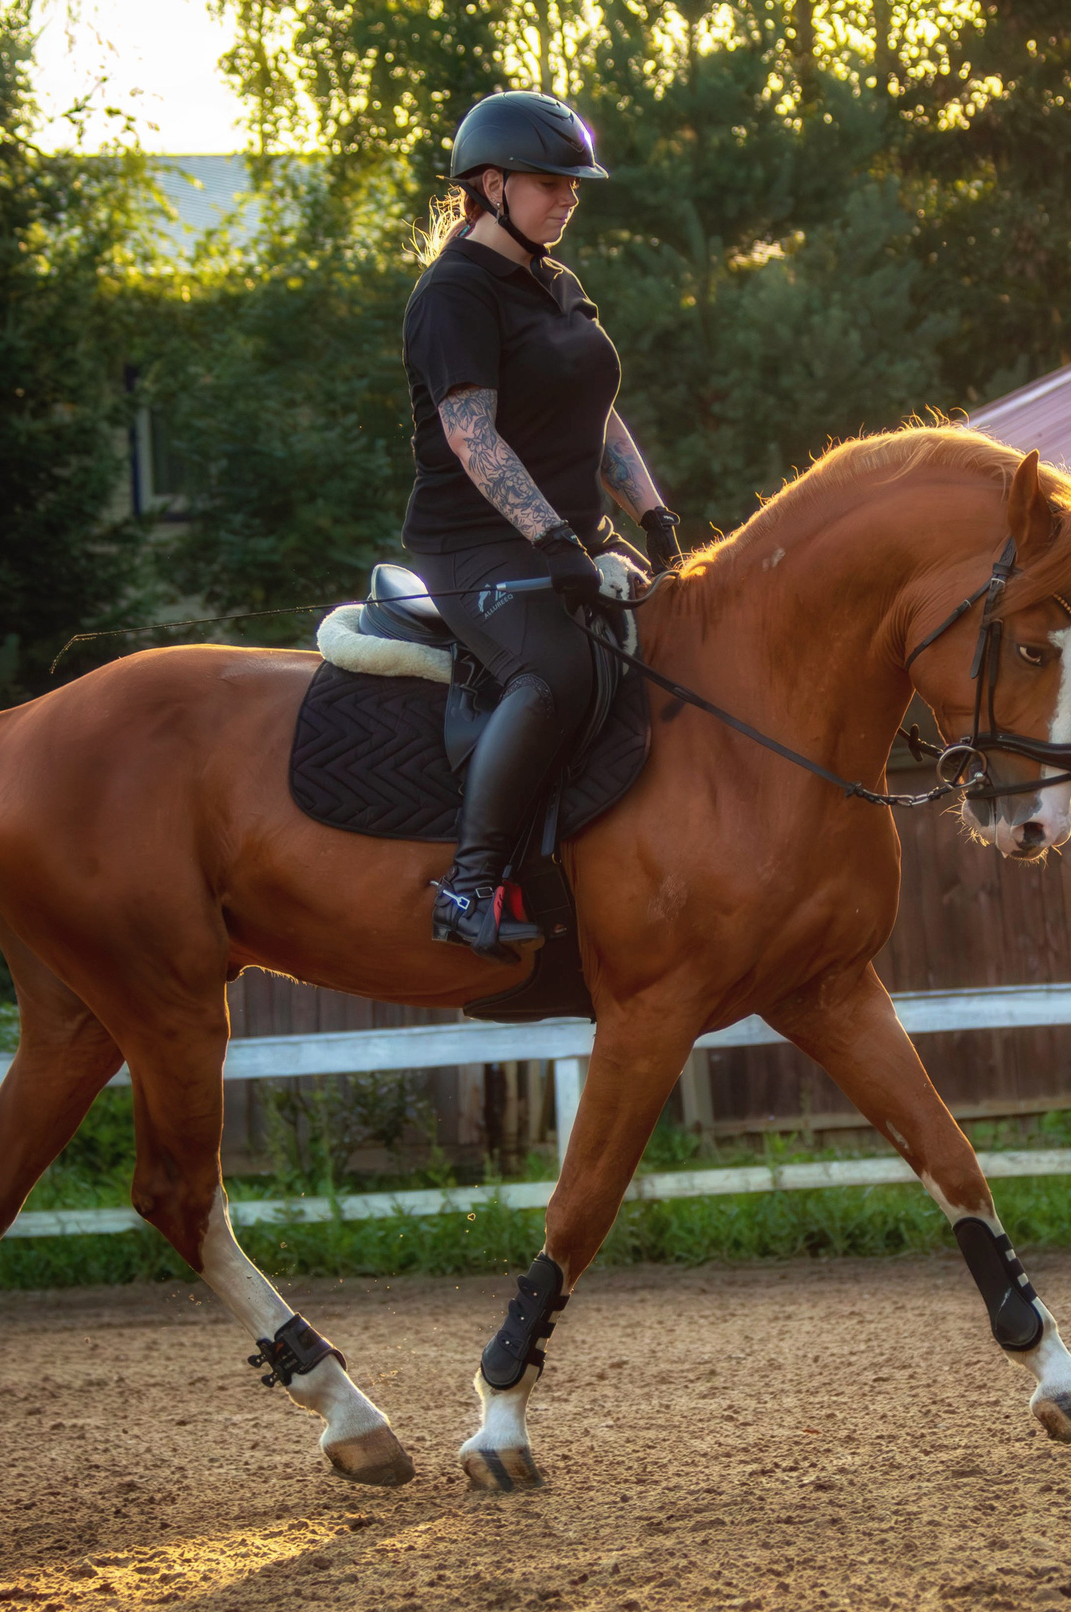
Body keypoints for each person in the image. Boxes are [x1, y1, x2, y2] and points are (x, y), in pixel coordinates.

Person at [399, 90, 681, 962]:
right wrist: (556, 541)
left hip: (569, 535)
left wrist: (655, 516)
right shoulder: (455, 294)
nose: (568, 197)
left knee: (680, 633)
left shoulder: (558, 285)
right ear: (490, 185)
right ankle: (471, 886)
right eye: (550, 182)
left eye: (574, 183)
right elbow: (470, 434)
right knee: (555, 669)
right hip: (470, 542)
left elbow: (596, 416)